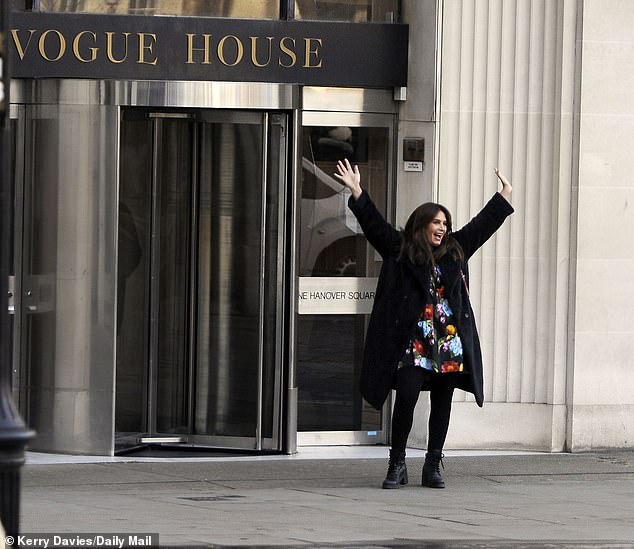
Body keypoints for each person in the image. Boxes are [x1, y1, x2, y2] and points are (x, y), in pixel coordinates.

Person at [334, 159, 513, 489]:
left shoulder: (456, 249)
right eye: (436, 222)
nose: (442, 227)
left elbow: (482, 225)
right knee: (407, 397)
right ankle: (397, 463)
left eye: (445, 222)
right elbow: (375, 226)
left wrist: (504, 195)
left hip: (448, 342)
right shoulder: (400, 249)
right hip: (413, 343)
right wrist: (358, 191)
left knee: (442, 402)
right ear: (421, 225)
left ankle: (433, 464)